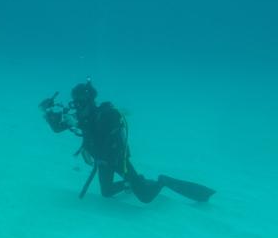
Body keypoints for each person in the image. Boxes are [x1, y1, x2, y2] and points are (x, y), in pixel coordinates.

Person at [40, 80, 215, 203]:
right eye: (76, 102)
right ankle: (131, 183)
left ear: (90, 100)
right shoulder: (80, 116)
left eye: (81, 102)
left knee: (145, 198)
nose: (77, 106)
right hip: (102, 162)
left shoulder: (106, 113)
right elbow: (57, 128)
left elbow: (101, 131)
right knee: (106, 192)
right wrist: (47, 112)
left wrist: (78, 123)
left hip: (117, 160)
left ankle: (162, 181)